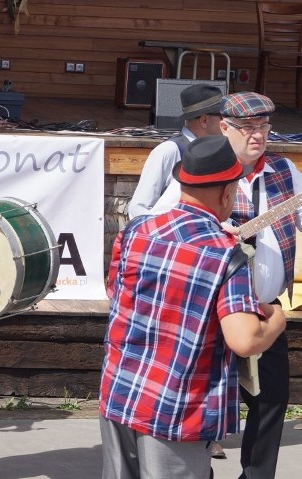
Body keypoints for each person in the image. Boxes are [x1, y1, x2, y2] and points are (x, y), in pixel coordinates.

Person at [101, 135, 286, 479]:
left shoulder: (136, 231)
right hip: (178, 406)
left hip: (120, 390)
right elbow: (244, 339)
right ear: (227, 192)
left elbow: (116, 291)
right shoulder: (226, 254)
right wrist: (276, 319)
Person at [221, 92, 299, 479]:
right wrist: (219, 232)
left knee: (271, 399)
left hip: (266, 308)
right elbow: (170, 222)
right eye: (248, 127)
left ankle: (256, 476)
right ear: (225, 128)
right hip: (217, 311)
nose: (258, 135)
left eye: (264, 127)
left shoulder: (284, 171)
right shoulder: (206, 169)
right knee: (212, 397)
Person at [128, 83, 224, 218]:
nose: (226, 122)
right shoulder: (169, 150)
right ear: (204, 120)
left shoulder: (216, 153)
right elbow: (139, 207)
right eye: (222, 116)